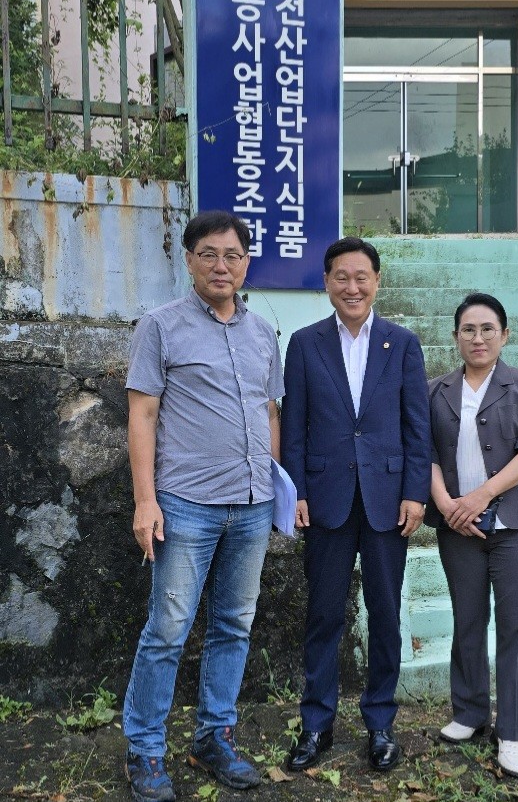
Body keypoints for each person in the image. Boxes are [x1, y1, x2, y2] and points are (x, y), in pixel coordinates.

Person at [123, 211, 284, 802]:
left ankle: (214, 737)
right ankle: (144, 749)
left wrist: (275, 489)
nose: (222, 265)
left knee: (234, 625)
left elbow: (270, 412)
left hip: (251, 505)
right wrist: (146, 501)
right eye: (210, 254)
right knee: (167, 630)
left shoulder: (262, 331)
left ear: (246, 262)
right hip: (186, 504)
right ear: (189, 259)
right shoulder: (160, 326)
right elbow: (142, 414)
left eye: (233, 255)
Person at [281, 236, 431, 772]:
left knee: (385, 614)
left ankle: (381, 724)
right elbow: (293, 427)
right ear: (326, 282)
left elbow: (418, 427)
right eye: (341, 277)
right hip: (327, 500)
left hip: (388, 501)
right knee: (323, 614)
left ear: (377, 282)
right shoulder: (304, 344)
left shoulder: (402, 344)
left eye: (361, 277)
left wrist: (415, 493)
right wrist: (296, 491)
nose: (352, 286)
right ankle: (316, 724)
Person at [426, 292, 518, 779]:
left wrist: (479, 497)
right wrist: (445, 504)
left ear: (504, 334)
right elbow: (425, 452)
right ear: (455, 336)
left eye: (487, 329)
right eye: (468, 329)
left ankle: (513, 732)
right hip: (457, 525)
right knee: (467, 619)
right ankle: (469, 712)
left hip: (517, 525)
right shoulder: (435, 389)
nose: (477, 338)